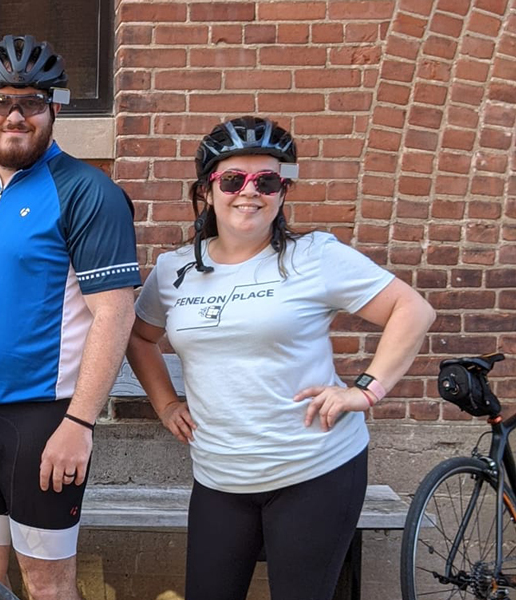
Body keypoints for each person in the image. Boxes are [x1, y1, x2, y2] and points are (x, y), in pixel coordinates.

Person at [125, 116, 436, 600]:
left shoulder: (314, 257)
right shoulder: (174, 270)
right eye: (233, 179)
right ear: (207, 190)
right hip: (219, 476)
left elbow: (412, 309)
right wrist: (166, 404)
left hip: (314, 470)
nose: (250, 192)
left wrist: (365, 389)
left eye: (267, 180)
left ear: (283, 190)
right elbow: (140, 338)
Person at [0, 34, 139, 600]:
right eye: (0, 101)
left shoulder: (88, 190)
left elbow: (115, 313)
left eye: (32, 102)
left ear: (54, 108)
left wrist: (81, 423)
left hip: (44, 423)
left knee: (46, 586)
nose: (15, 115)